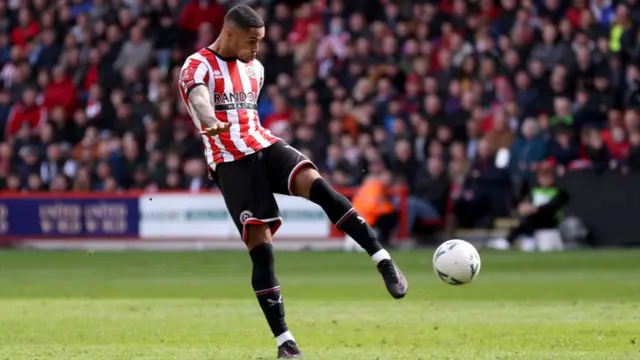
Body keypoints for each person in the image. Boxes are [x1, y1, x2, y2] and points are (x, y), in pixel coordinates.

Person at [177, 6, 407, 358]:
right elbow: (199, 98)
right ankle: (285, 342)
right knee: (262, 247)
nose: (256, 48)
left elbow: (248, 112)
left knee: (318, 185)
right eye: (252, 41)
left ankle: (382, 259)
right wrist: (210, 121)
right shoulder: (198, 64)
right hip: (230, 162)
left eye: (260, 41)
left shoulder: (256, 69)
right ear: (230, 33)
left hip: (264, 144)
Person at [488, 166, 570, 250]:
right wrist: (523, 207)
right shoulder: (534, 191)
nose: (544, 180)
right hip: (534, 221)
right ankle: (523, 238)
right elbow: (526, 202)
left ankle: (509, 240)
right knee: (528, 219)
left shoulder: (559, 192)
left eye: (546, 177)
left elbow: (551, 207)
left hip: (550, 221)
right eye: (542, 177)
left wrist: (536, 209)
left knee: (531, 218)